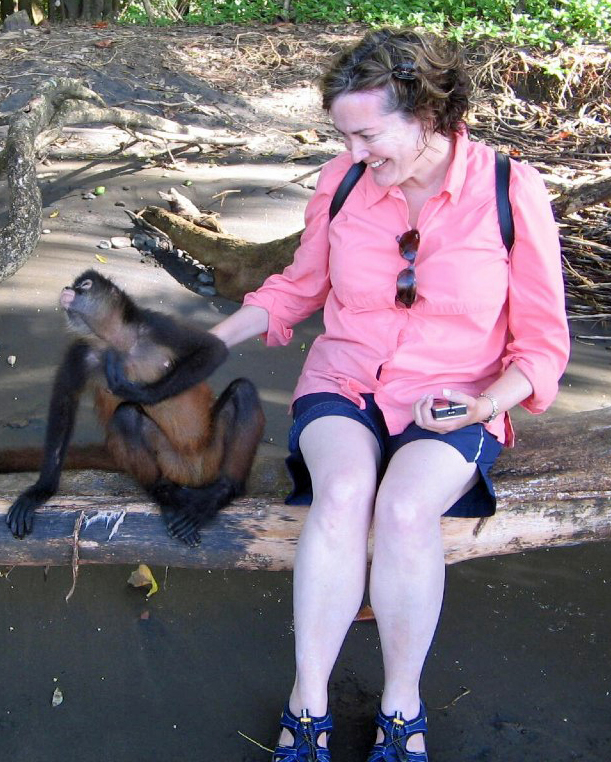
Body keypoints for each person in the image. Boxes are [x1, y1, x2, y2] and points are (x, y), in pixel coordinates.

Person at [211, 27, 570, 762]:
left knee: (405, 508)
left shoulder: (509, 190)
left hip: (459, 395)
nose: (352, 155)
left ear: (429, 116)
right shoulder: (341, 184)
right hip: (346, 378)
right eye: (343, 136)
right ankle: (307, 701)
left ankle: (400, 703)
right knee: (343, 491)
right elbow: (298, 288)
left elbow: (541, 343)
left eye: (367, 135)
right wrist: (205, 344)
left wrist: (487, 404)